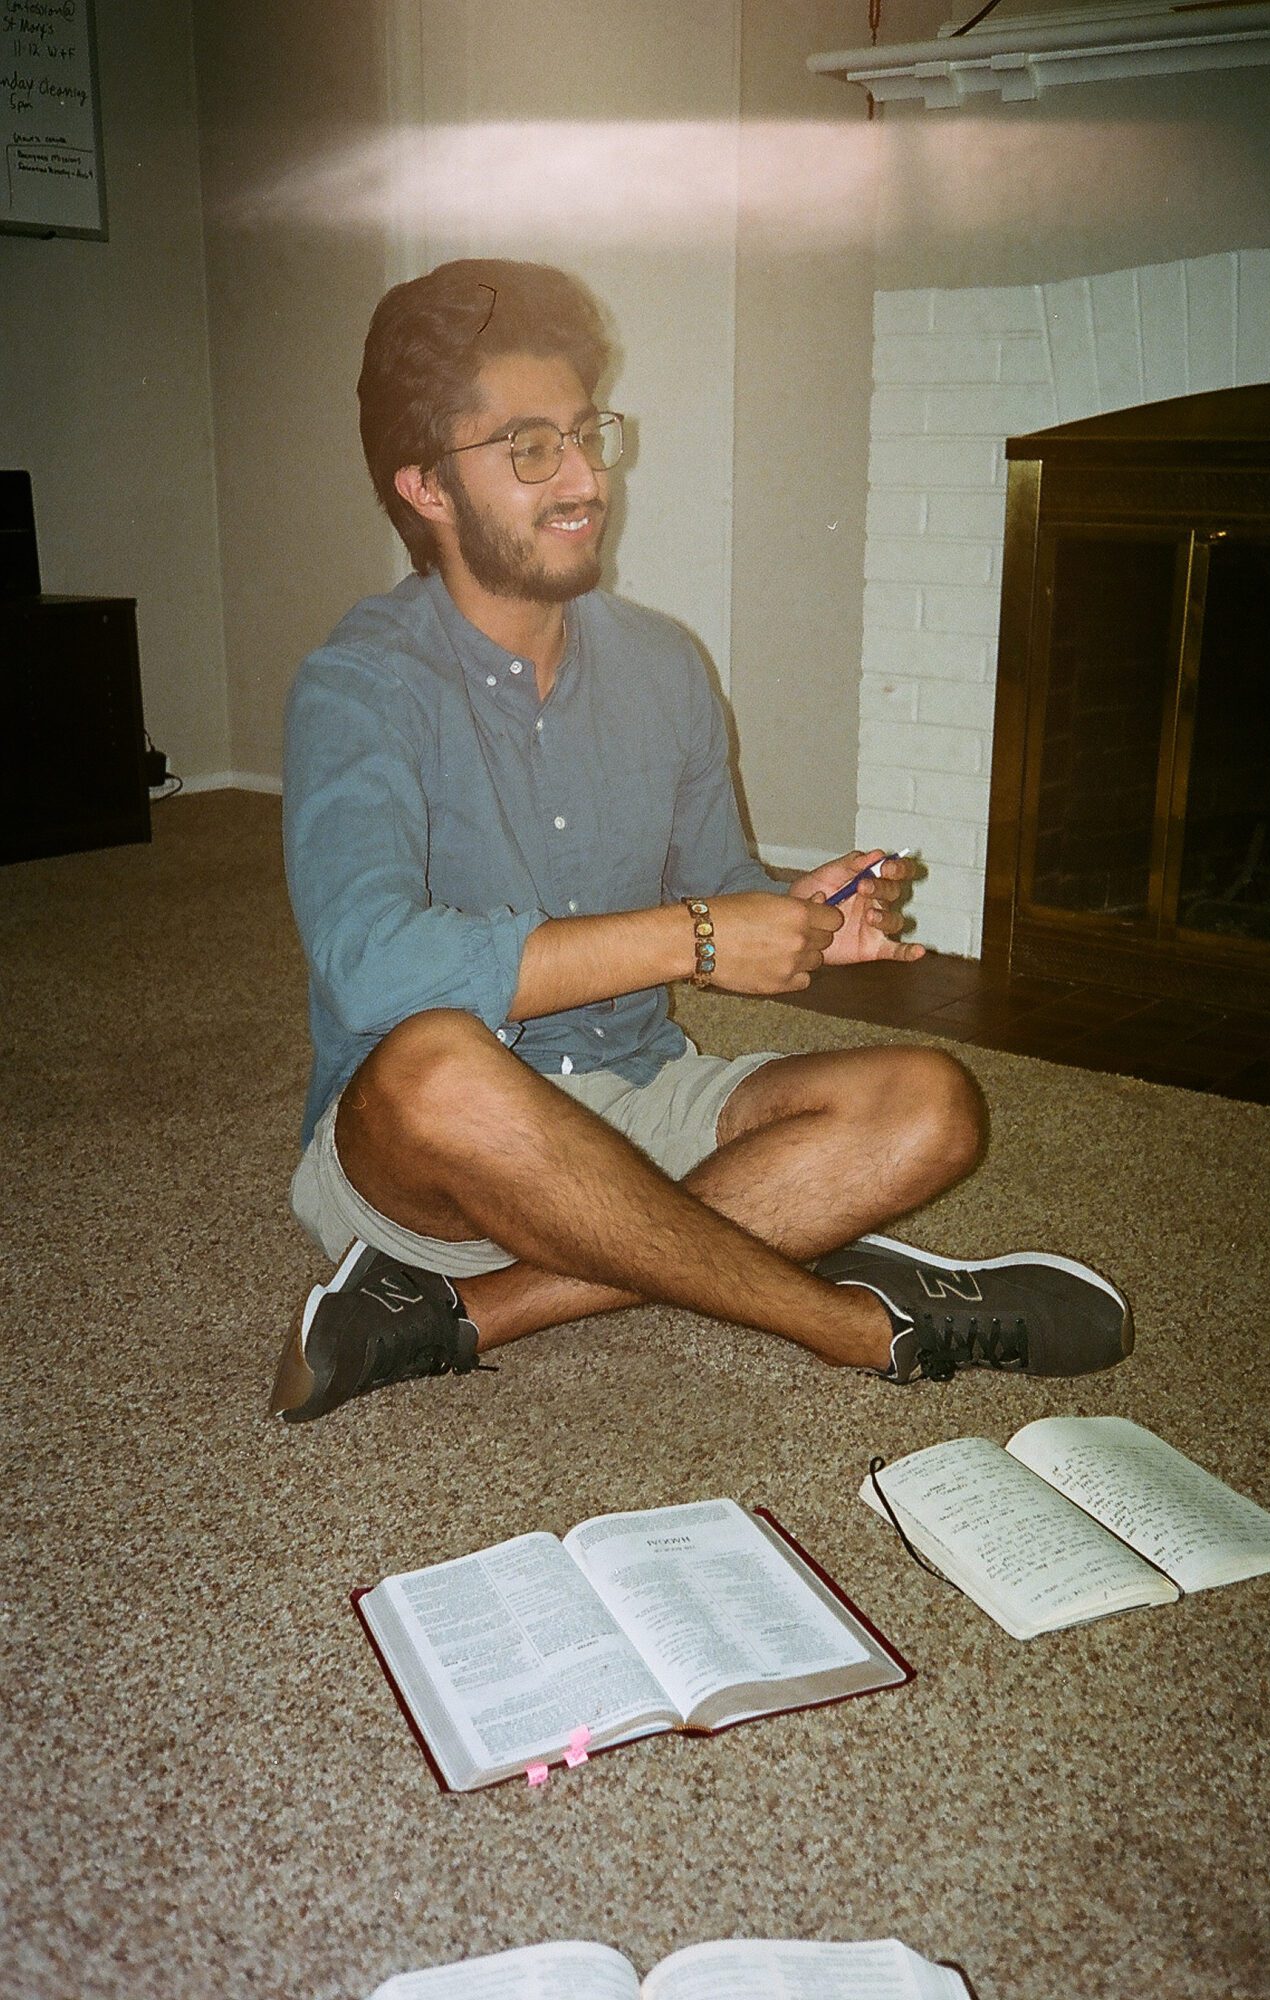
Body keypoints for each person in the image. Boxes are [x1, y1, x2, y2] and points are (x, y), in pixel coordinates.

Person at [270, 257, 1132, 1424]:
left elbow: (716, 888)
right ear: (423, 484)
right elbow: (370, 963)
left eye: (587, 434)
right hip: (444, 1151)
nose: (584, 479)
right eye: (530, 448)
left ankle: (467, 1313)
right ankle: (843, 1319)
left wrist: (804, 916)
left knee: (930, 1102)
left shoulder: (664, 662)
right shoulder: (359, 683)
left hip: (642, 1090)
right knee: (436, 1064)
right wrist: (700, 936)